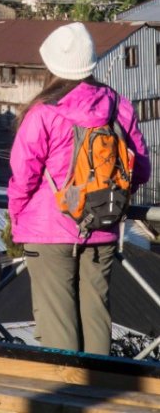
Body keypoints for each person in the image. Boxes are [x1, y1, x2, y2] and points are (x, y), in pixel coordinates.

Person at [8, 22, 150, 355]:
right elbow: (140, 169)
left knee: (57, 324)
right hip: (102, 224)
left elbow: (23, 176)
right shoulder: (117, 105)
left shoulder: (42, 112)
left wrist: (18, 218)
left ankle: (65, 388)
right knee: (97, 317)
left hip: (49, 230)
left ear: (51, 63)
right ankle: (100, 383)